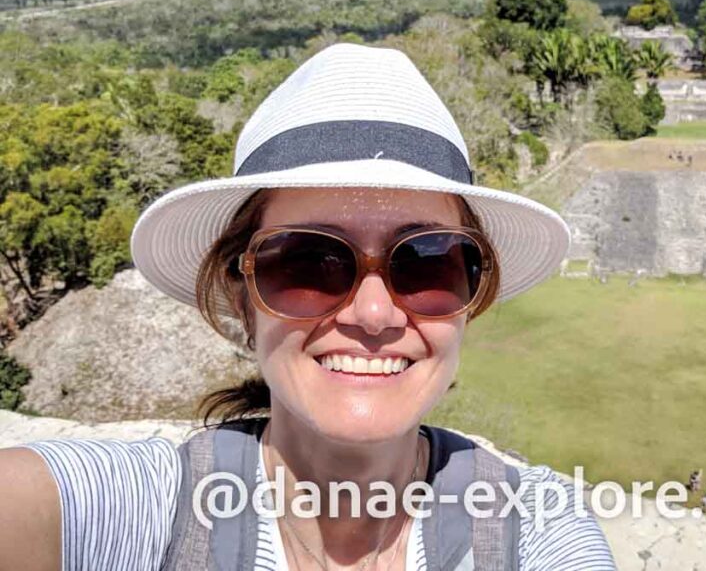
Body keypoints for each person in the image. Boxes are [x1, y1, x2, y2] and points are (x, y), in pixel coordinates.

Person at [0, 44, 616, 570]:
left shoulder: (534, 528)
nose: (373, 315)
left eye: (428, 261)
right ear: (243, 298)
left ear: (469, 296)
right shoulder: (129, 510)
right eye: (307, 262)